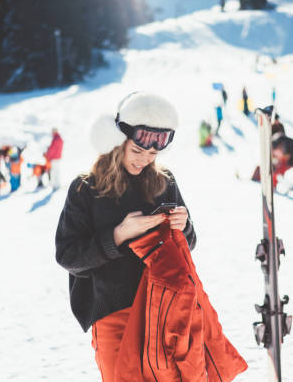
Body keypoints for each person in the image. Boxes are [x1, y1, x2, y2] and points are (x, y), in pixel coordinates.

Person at [56, 92, 246, 381]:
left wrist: (185, 227)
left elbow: (186, 246)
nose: (145, 160)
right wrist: (118, 236)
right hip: (114, 313)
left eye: (153, 154)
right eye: (137, 151)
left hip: (165, 312)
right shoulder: (86, 188)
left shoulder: (164, 182)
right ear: (117, 141)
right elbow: (69, 256)